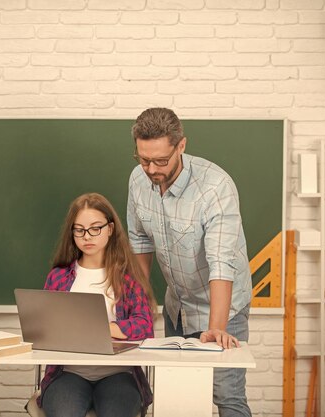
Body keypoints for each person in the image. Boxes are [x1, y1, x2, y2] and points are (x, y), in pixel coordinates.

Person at [127, 108, 252, 417]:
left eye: (161, 161)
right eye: (144, 160)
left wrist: (216, 330)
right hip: (178, 305)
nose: (152, 169)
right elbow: (140, 242)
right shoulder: (138, 180)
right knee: (178, 397)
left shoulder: (215, 188)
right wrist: (136, 305)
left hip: (222, 306)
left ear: (181, 146)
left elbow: (221, 263)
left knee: (227, 395)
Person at [37, 192, 156, 417]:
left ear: (110, 229)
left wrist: (105, 328)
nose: (87, 236)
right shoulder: (58, 277)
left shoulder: (128, 277)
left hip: (118, 374)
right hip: (68, 373)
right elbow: (45, 328)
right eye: (79, 229)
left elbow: (145, 326)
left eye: (95, 228)